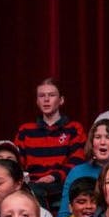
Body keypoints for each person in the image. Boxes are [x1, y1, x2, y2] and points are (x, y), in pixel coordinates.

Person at [14, 77, 86, 208]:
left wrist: (54, 176)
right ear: (37, 101)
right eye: (41, 96)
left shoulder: (74, 128)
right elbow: (17, 162)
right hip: (32, 185)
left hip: (62, 184)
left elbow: (77, 161)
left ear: (61, 100)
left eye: (51, 95)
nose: (46, 100)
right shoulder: (25, 130)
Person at [58, 119, 109, 217]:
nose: (102, 142)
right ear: (92, 142)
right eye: (97, 137)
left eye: (108, 137)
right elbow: (64, 215)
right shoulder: (77, 172)